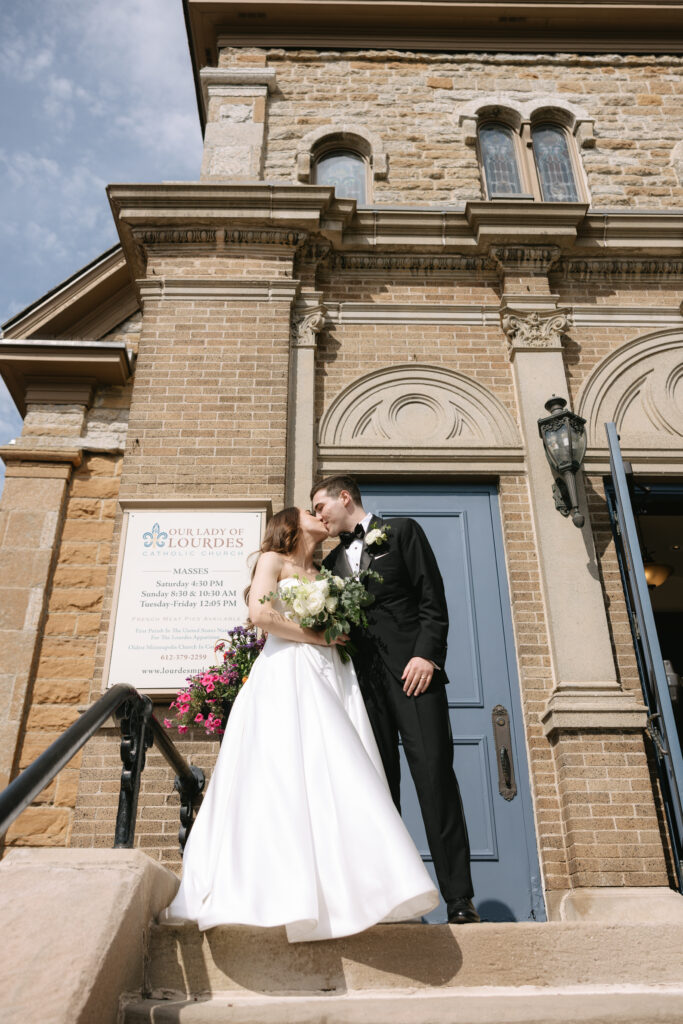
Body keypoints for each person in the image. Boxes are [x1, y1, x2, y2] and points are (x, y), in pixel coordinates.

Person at [164, 506, 438, 943]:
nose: (321, 517)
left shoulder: (327, 571)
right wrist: (318, 636)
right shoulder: (274, 560)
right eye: (312, 512)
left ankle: (357, 891)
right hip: (289, 670)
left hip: (333, 673)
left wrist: (336, 632)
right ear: (292, 524)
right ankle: (284, 891)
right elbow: (259, 615)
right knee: (285, 772)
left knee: (344, 773)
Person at [311, 475, 479, 925]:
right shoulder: (329, 565)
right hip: (364, 690)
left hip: (415, 679)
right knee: (379, 792)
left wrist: (428, 655)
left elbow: (432, 600)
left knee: (435, 781)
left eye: (321, 506)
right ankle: (393, 899)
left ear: (344, 497)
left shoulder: (402, 532)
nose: (319, 516)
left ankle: (459, 899)